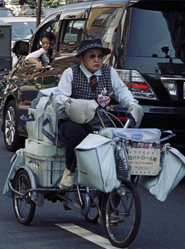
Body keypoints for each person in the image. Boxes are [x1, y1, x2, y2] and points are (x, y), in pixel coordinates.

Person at [52, 38, 144, 189]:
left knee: (118, 137)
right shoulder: (71, 73)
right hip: (73, 119)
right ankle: (69, 171)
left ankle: (117, 176)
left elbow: (121, 91)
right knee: (76, 133)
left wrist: (133, 105)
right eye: (92, 56)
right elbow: (59, 97)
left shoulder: (109, 72)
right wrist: (73, 104)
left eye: (99, 56)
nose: (97, 60)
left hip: (100, 119)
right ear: (81, 58)